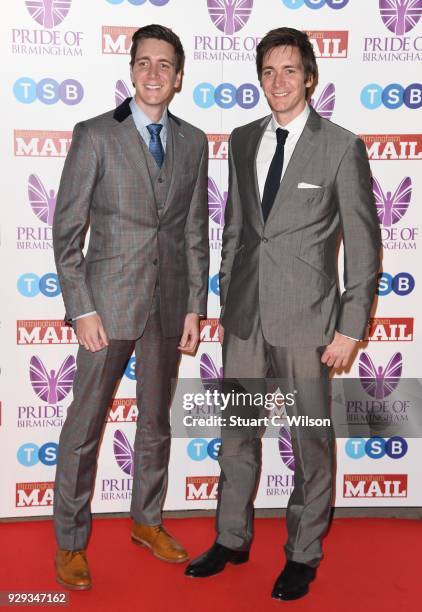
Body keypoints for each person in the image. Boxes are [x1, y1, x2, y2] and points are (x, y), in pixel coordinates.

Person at [185, 27, 380, 601]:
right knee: (237, 437)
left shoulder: (342, 145)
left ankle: (303, 552)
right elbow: (238, 228)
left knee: (310, 442)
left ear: (311, 78)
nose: (278, 82)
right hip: (244, 319)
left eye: (290, 70)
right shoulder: (243, 140)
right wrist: (226, 299)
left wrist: (350, 327)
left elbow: (364, 247)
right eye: (268, 72)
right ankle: (231, 538)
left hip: (308, 322)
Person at [52, 24, 209, 590]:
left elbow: (195, 232)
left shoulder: (193, 141)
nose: (153, 74)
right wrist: (82, 308)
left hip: (168, 307)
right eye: (144, 63)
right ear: (131, 70)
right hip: (107, 307)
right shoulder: (94, 135)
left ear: (179, 76)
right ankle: (70, 541)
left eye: (164, 65)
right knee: (84, 427)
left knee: (155, 423)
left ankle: (146, 520)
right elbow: (67, 230)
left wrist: (195, 304)